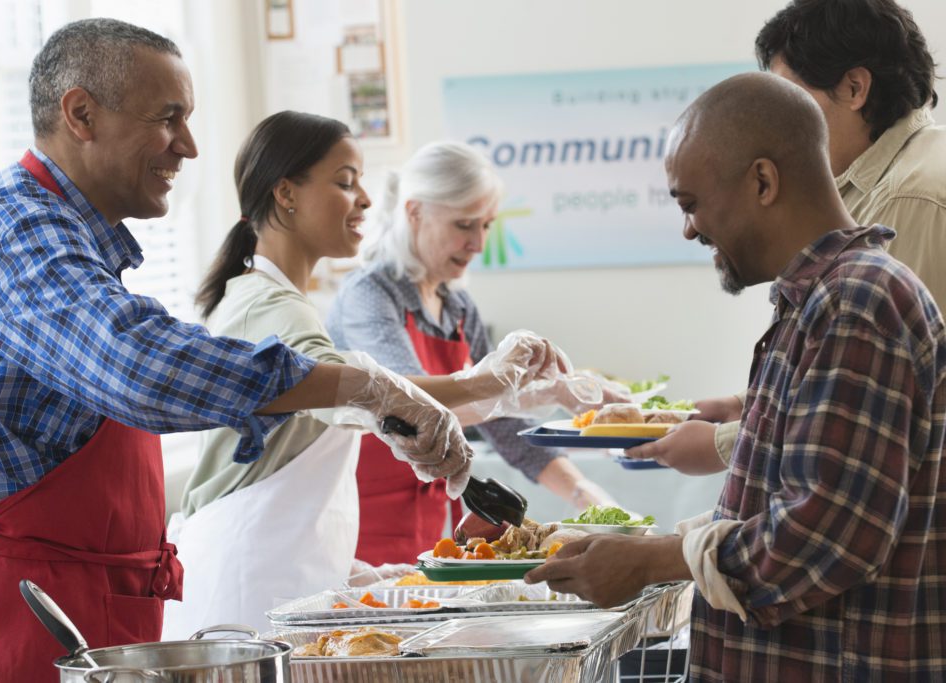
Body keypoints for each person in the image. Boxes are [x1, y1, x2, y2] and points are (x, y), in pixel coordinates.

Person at [0, 21, 471, 683]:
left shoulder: (81, 245)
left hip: (76, 597)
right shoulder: (21, 233)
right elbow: (142, 368)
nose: (188, 145)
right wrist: (368, 386)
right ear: (81, 114)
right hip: (10, 606)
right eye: (168, 118)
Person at [528, 71, 946, 681]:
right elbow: (787, 502)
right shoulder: (814, 301)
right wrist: (655, 551)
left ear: (762, 181)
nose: (690, 230)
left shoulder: (857, 300)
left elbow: (824, 537)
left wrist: (654, 563)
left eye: (691, 204)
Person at [161, 112, 573, 636]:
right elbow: (348, 387)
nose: (365, 200)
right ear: (286, 193)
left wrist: (354, 574)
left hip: (278, 576)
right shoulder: (269, 305)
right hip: (248, 591)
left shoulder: (277, 299)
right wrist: (492, 380)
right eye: (344, 182)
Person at [626, 0, 946, 475]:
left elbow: (876, 399)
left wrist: (724, 445)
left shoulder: (909, 194)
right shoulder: (879, 183)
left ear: (855, 88)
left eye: (789, 95)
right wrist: (746, 404)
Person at [327, 141, 627, 566]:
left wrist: (586, 496)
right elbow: (413, 412)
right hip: (364, 522)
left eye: (486, 226)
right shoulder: (369, 297)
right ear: (414, 212)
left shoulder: (457, 307)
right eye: (465, 225)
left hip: (433, 519)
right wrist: (548, 394)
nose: (478, 244)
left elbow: (506, 427)